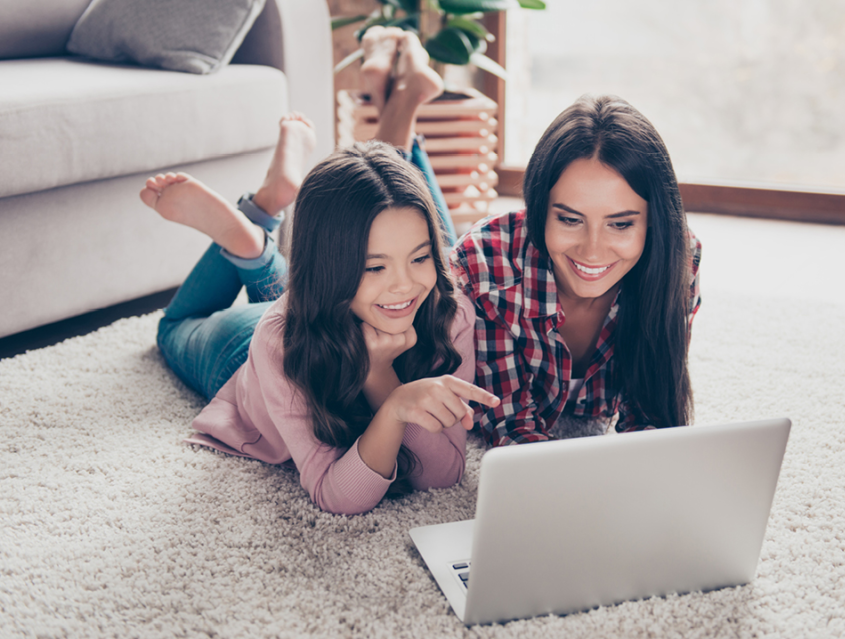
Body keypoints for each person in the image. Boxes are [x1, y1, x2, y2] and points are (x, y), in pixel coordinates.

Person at [142, 27, 498, 515]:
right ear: (333, 270)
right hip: (248, 356)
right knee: (173, 328)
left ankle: (259, 232)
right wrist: (393, 402)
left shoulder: (449, 310)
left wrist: (381, 379)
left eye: (421, 257)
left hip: (321, 299)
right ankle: (254, 228)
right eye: (374, 266)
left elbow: (444, 474)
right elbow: (334, 494)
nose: (405, 283)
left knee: (376, 221)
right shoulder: (277, 341)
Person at [449, 94, 702, 446]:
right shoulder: (485, 263)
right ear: (539, 208)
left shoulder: (677, 261)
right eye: (570, 220)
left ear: (653, 223)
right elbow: (509, 423)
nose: (592, 250)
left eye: (621, 225)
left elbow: (654, 417)